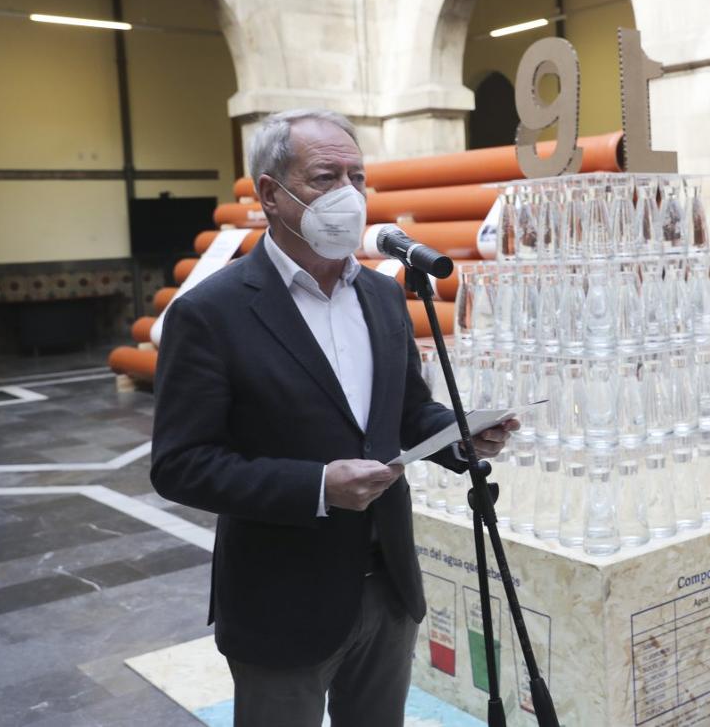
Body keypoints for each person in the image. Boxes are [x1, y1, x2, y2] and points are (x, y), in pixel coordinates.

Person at [150, 109, 517, 727]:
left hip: (388, 585)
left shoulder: (381, 293)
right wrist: (318, 487)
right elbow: (181, 466)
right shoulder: (211, 313)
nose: (348, 194)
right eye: (326, 176)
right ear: (271, 193)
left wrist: (458, 438)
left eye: (357, 176)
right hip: (281, 599)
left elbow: (405, 410)